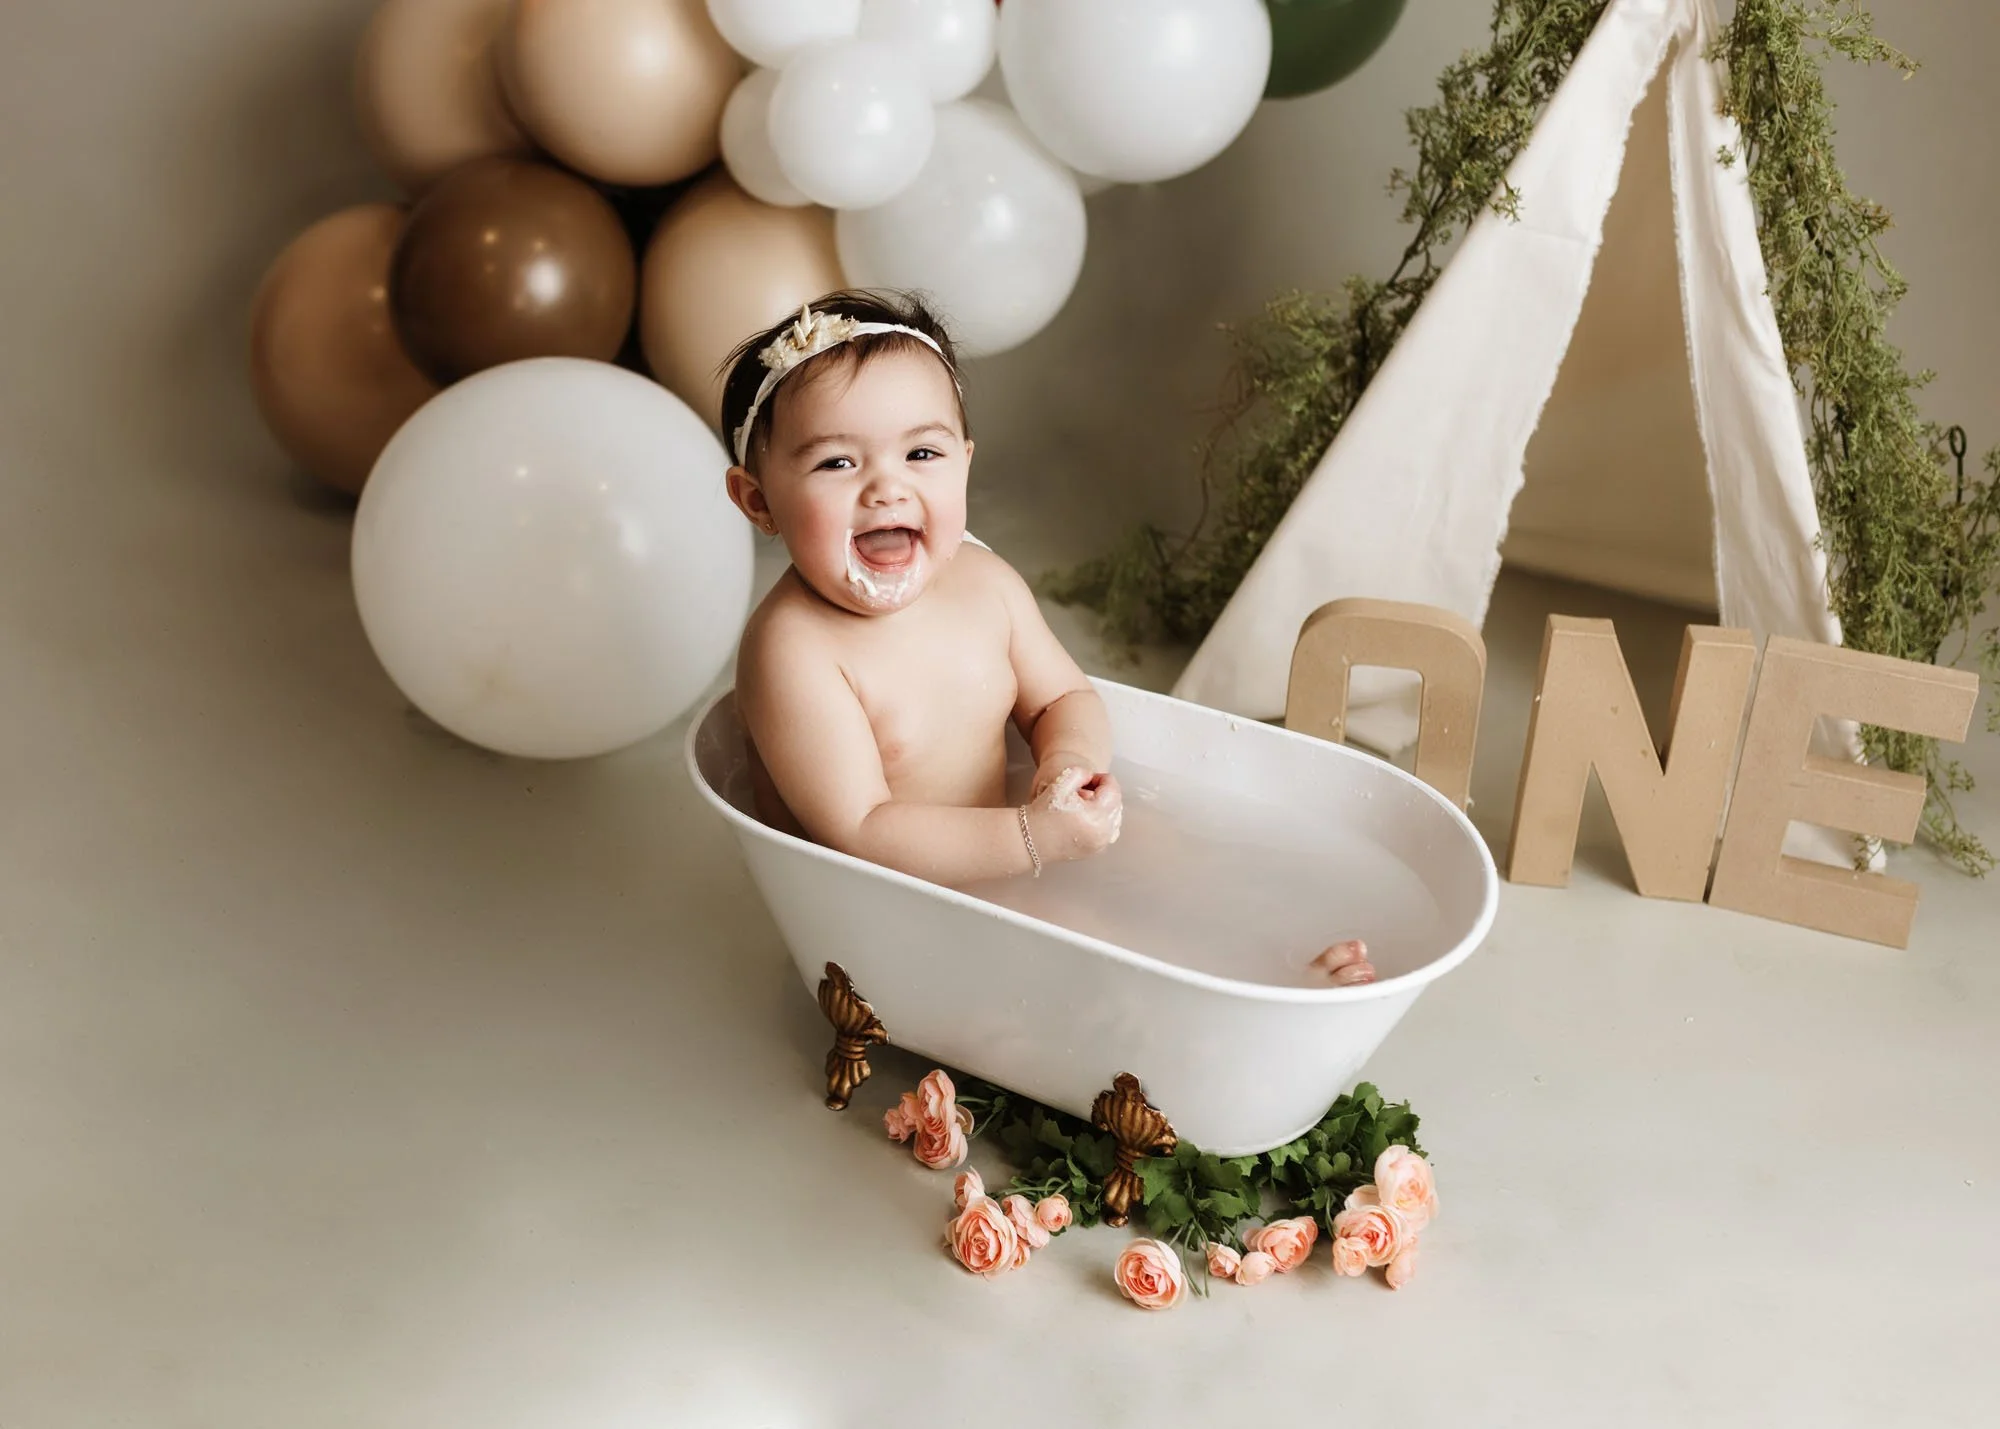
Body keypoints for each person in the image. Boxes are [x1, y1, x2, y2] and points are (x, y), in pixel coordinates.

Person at [718, 291, 1375, 987]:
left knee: (1169, 850)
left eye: (921, 451)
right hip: (901, 903)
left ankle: (1268, 940)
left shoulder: (985, 584)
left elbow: (1060, 694)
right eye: (837, 464)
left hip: (1010, 831)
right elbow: (862, 830)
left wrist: (1066, 769)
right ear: (759, 501)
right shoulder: (793, 649)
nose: (888, 487)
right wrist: (1031, 838)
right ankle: (1249, 990)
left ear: (963, 462)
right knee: (1088, 943)